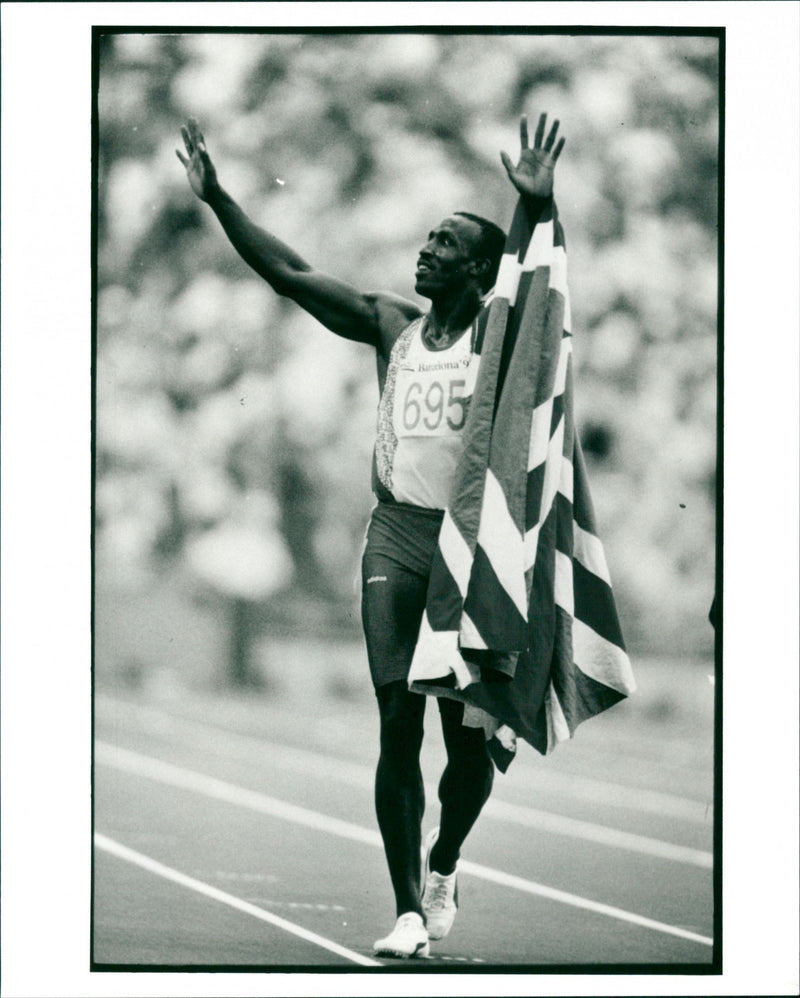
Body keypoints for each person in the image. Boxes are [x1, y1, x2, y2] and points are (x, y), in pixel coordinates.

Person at [177, 111, 565, 958]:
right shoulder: (391, 323)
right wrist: (221, 200)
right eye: (424, 238)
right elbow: (288, 272)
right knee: (398, 721)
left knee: (469, 736)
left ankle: (446, 859)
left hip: (471, 545)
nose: (423, 251)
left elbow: (537, 294)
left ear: (477, 269)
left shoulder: (499, 333)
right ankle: (408, 915)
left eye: (443, 244)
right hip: (396, 534)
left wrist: (533, 208)